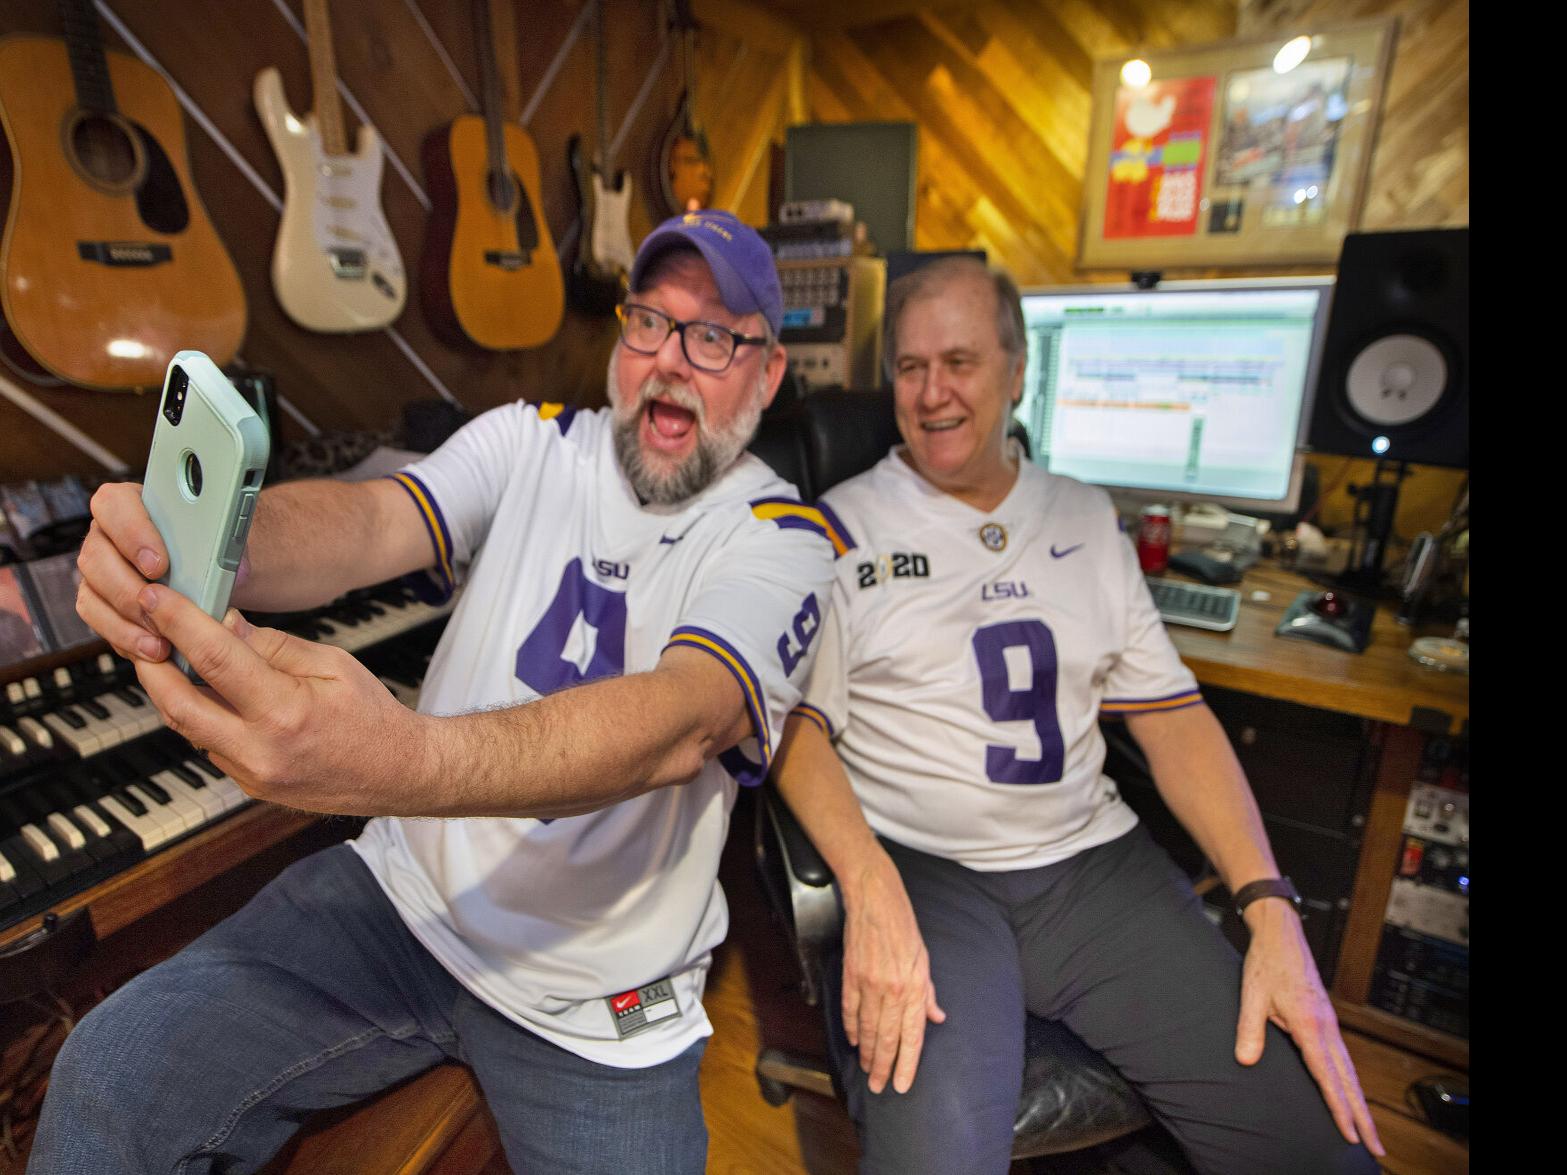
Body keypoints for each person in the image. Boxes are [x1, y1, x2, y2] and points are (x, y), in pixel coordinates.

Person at [36, 210, 841, 1174]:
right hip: (400, 901)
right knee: (106, 1075)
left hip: (597, 994)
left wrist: (397, 758)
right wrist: (213, 542)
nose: (669, 360)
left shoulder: (783, 536)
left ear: (768, 372)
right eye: (648, 323)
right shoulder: (530, 438)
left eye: (712, 335)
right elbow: (373, 521)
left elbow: (681, 718)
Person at [769, 256, 1384, 1175]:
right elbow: (791, 731)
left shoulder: (1088, 519)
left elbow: (1172, 718)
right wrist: (869, 885)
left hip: (1093, 873)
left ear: (1019, 372)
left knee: (1319, 1151)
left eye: (961, 362)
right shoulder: (837, 528)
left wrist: (1271, 907)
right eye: (908, 366)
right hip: (928, 875)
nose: (932, 391)